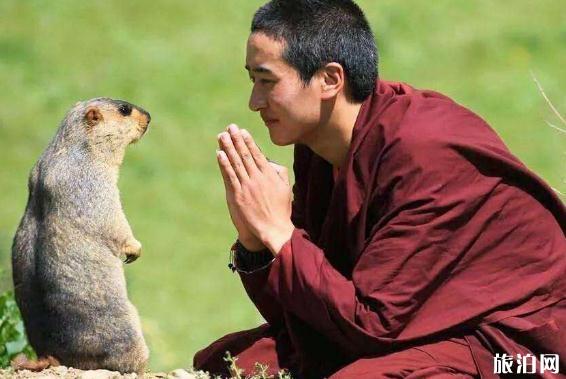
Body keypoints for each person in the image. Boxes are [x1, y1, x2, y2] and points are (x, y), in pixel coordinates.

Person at [194, 0, 566, 378]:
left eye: (267, 81)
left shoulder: (425, 153)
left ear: (329, 80)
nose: (254, 102)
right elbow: (309, 311)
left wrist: (279, 233)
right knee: (231, 362)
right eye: (252, 81)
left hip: (518, 349)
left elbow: (372, 325)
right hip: (419, 328)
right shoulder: (320, 147)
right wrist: (256, 243)